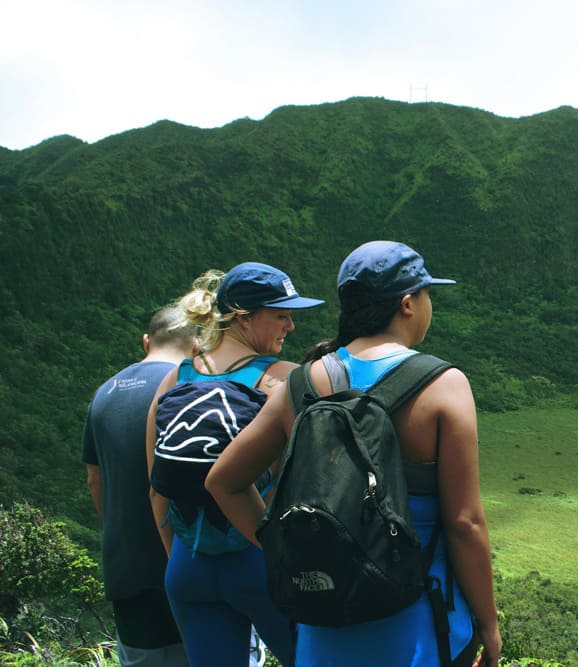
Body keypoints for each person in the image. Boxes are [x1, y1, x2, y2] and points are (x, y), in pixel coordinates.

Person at [206, 240, 502, 667]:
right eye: (427, 294)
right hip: (421, 633)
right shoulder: (443, 385)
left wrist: (284, 550)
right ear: (407, 304)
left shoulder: (302, 383)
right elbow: (464, 523)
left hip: (321, 634)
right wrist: (488, 624)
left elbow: (224, 482)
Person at [145, 261, 324, 667]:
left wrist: (184, 560)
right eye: (281, 315)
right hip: (261, 561)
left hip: (187, 568)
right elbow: (316, 484)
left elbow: (157, 488)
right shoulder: (283, 380)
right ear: (243, 318)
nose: (290, 326)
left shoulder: (175, 379)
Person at [83, 306, 197, 667]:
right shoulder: (189, 386)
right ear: (198, 345)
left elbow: (94, 480)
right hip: (185, 562)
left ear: (146, 341)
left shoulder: (104, 393)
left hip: (126, 568)